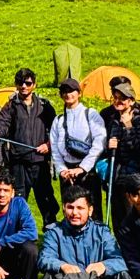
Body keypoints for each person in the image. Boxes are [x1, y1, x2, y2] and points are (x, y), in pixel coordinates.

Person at [0, 67, 59, 227]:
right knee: (18, 201)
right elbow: (2, 123)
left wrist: (49, 145)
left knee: (46, 200)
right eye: (20, 83)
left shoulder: (44, 105)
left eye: (28, 83)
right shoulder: (11, 105)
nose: (24, 86)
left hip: (40, 162)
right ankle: (17, 233)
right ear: (16, 84)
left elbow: (56, 129)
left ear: (34, 84)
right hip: (18, 163)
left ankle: (50, 233)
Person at [50, 77, 107, 222]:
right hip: (66, 174)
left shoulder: (91, 114)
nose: (68, 94)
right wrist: (62, 170)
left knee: (92, 211)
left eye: (71, 91)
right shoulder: (58, 120)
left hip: (88, 173)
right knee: (71, 212)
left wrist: (82, 168)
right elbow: (55, 148)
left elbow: (99, 142)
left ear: (79, 93)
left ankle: (96, 242)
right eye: (64, 91)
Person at [99, 77, 140, 190]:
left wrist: (128, 126)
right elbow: (114, 150)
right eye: (116, 98)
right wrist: (110, 146)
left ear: (131, 101)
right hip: (118, 173)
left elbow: (139, 148)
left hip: (137, 174)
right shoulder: (115, 120)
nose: (118, 101)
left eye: (122, 98)